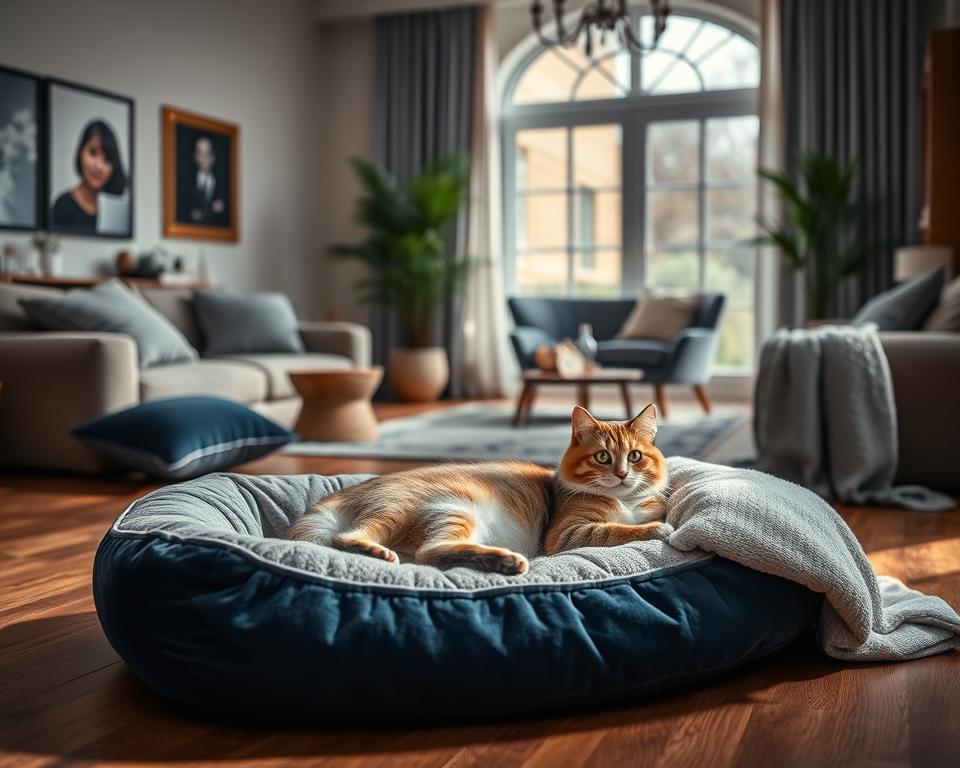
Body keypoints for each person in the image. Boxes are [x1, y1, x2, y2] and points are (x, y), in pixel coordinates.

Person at [50, 119, 126, 234]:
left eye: (107, 159)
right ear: (79, 152)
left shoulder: (117, 211)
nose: (99, 166)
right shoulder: (62, 206)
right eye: (93, 153)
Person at [188, 136, 226, 224]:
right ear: (195, 156)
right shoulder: (188, 181)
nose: (204, 158)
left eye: (207, 153)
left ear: (213, 156)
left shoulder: (221, 182)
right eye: (200, 153)